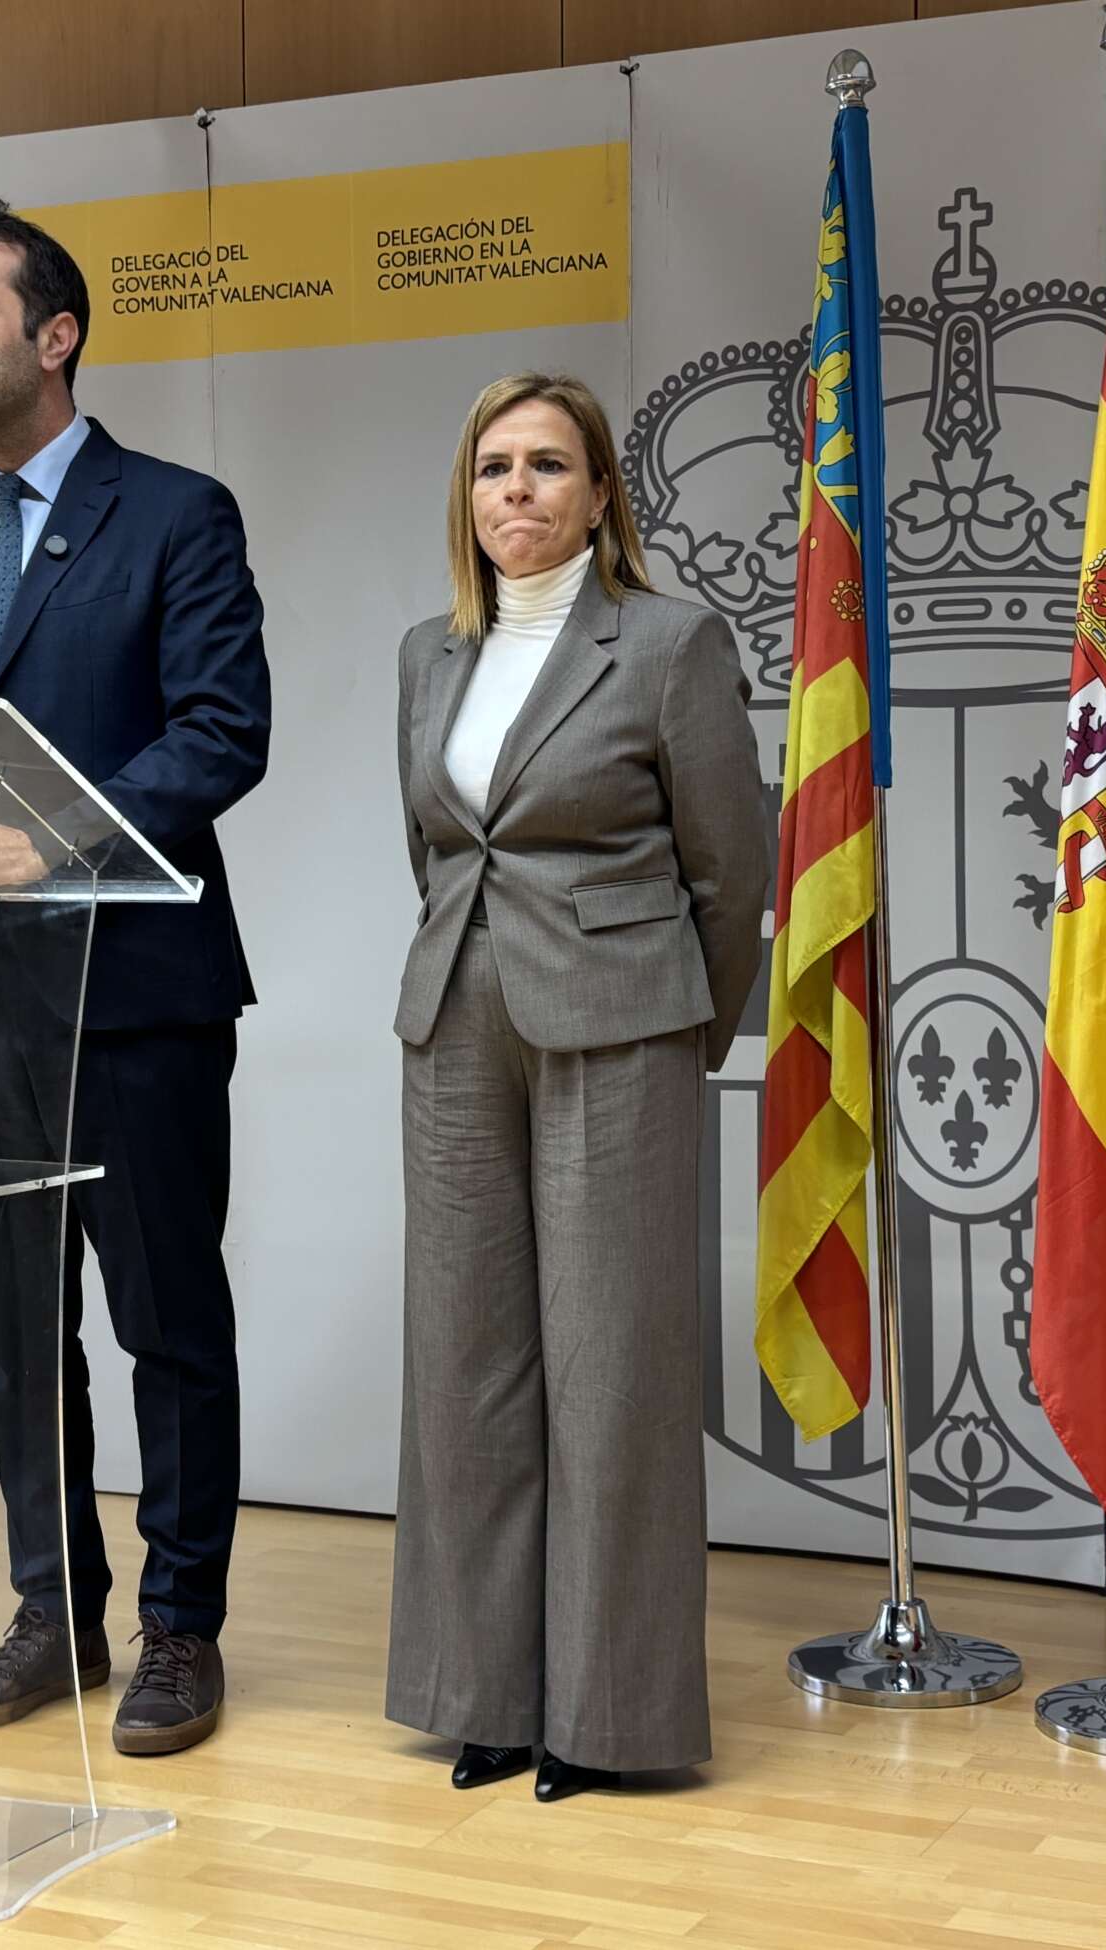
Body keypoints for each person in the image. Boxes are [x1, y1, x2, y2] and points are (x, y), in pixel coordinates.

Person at [0, 194, 268, 1757]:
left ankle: (178, 1628)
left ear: (55, 333)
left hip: (139, 989)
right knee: (19, 1329)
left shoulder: (176, 513)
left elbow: (225, 729)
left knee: (166, 1321)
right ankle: (52, 1613)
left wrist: (62, 839)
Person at [385, 373, 771, 1800]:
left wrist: (683, 1028)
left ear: (604, 493)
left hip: (621, 1024)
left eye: (551, 465)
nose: (519, 492)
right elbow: (435, 852)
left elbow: (734, 872)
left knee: (613, 1370)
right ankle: (480, 1693)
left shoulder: (669, 643)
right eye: (494, 467)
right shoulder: (429, 652)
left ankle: (604, 1714)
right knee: (466, 1364)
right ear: (467, 498)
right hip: (456, 1023)